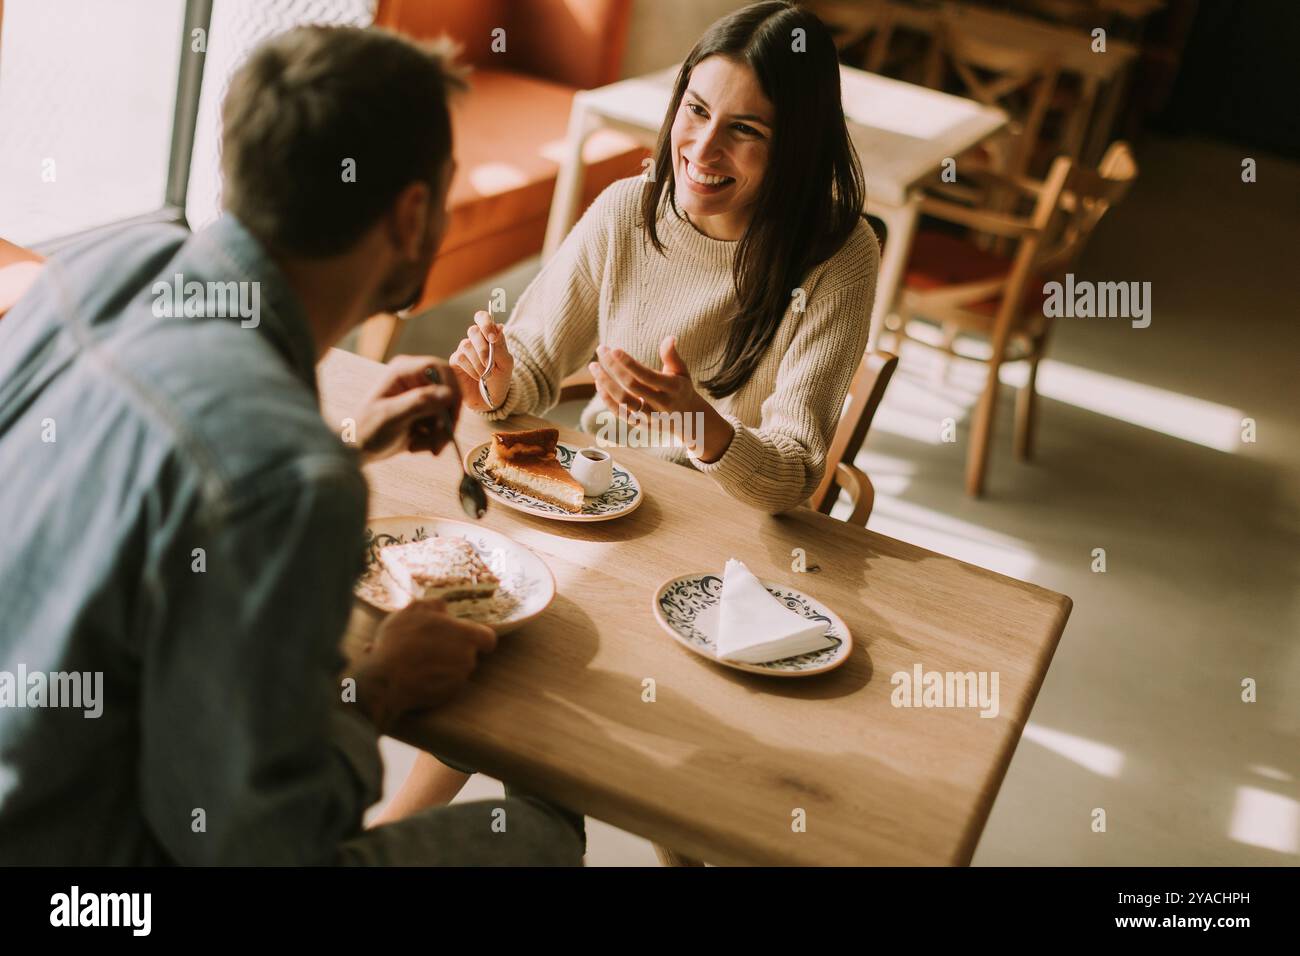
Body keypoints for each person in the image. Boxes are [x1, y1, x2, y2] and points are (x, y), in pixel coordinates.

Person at [0, 25, 582, 865]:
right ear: (413, 214)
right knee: (541, 832)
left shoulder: (105, 265)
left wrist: (344, 444)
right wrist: (373, 691)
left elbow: (166, 501)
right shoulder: (285, 475)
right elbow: (254, 843)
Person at [405, 0, 879, 820]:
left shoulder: (838, 259)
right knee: (496, 632)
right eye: (696, 111)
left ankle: (437, 825)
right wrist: (490, 379)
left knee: (519, 666)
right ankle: (454, 826)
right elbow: (531, 367)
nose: (702, 148)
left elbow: (795, 479)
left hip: (734, 562)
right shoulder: (630, 209)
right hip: (604, 523)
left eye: (747, 131)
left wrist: (697, 421)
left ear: (795, 145)